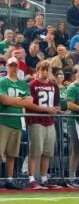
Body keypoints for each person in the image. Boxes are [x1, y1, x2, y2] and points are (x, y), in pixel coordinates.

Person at [0, 57, 31, 190]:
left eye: (15, 66)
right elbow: (4, 100)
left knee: (12, 153)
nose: (13, 68)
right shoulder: (2, 81)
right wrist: (20, 101)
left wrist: (15, 101)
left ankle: (9, 179)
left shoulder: (23, 84)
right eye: (11, 66)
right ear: (7, 67)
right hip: (3, 120)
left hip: (17, 121)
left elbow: (29, 101)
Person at [24, 60, 61, 190]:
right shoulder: (32, 85)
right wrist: (45, 109)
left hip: (49, 121)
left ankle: (44, 178)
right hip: (36, 120)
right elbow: (28, 104)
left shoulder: (53, 85)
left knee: (47, 152)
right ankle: (31, 178)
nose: (45, 72)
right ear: (37, 71)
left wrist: (56, 109)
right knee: (35, 151)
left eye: (47, 70)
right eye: (43, 70)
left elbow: (56, 103)